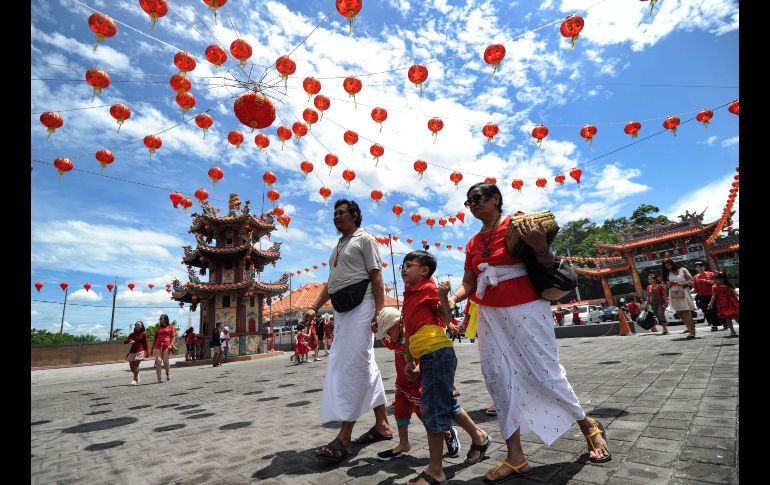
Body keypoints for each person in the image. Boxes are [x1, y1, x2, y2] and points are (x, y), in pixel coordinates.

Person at [447, 182, 610, 482]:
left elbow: (549, 261)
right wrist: (454, 297)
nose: (473, 205)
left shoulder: (518, 223)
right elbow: (469, 281)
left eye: (478, 199)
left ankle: (588, 426)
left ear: (496, 199)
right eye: (469, 202)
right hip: (489, 314)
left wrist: (541, 247)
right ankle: (516, 456)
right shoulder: (472, 243)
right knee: (497, 377)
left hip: (526, 307)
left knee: (545, 371)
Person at [304, 199, 392, 464]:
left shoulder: (365, 240)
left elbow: (376, 276)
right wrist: (315, 307)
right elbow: (330, 283)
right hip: (342, 310)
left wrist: (379, 312)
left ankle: (344, 436)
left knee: (353, 364)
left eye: (341, 213)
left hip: (363, 305)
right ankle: (382, 425)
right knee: (364, 363)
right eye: (334, 213)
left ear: (355, 215)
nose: (336, 217)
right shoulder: (337, 247)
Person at [397, 250, 490, 484]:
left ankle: (436, 471)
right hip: (428, 356)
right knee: (447, 404)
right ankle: (479, 436)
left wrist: (442, 294)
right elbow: (410, 330)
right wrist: (410, 360)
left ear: (425, 270)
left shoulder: (428, 289)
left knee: (433, 409)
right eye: (402, 265)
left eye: (409, 265)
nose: (403, 269)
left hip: (437, 353)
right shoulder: (409, 295)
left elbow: (447, 319)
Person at [661, 258, 697, 339]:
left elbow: (692, 280)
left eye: (669, 265)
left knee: (686, 312)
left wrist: (682, 283)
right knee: (679, 313)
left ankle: (692, 332)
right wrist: (669, 285)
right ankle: (688, 328)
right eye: (666, 266)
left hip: (683, 292)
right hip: (673, 294)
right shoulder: (666, 274)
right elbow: (664, 285)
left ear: (672, 263)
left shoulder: (682, 270)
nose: (668, 267)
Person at [692, 261, 721, 332]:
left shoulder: (710, 273)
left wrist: (706, 281)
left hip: (713, 295)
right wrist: (690, 291)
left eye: (701, 266)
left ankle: (724, 323)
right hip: (703, 296)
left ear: (704, 267)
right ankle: (714, 325)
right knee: (709, 311)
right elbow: (695, 287)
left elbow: (717, 282)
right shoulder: (695, 277)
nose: (700, 268)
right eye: (698, 267)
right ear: (696, 268)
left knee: (717, 309)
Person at [708, 271, 738, 337]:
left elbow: (735, 293)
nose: (714, 280)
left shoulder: (729, 285)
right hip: (723, 304)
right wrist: (710, 303)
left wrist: (737, 295)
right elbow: (714, 296)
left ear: (722, 279)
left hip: (732, 303)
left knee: (736, 316)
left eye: (716, 279)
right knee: (728, 318)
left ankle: (733, 330)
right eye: (714, 279)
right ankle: (732, 331)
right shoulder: (714, 287)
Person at [150, 314, 176, 383]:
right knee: (158, 361)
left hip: (167, 345)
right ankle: (159, 377)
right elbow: (155, 339)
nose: (160, 320)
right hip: (157, 345)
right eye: (160, 318)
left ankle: (167, 373)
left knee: (165, 361)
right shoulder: (158, 328)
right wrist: (152, 348)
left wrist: (171, 344)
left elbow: (173, 336)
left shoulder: (171, 327)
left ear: (165, 319)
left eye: (162, 318)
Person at [124, 321, 149, 385]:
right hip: (132, 351)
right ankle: (137, 376)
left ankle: (134, 380)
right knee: (131, 366)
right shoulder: (132, 334)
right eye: (135, 324)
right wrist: (129, 341)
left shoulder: (144, 334)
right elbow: (125, 341)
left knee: (136, 364)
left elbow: (146, 343)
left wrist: (147, 352)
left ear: (141, 326)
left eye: (138, 324)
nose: (136, 325)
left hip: (140, 350)